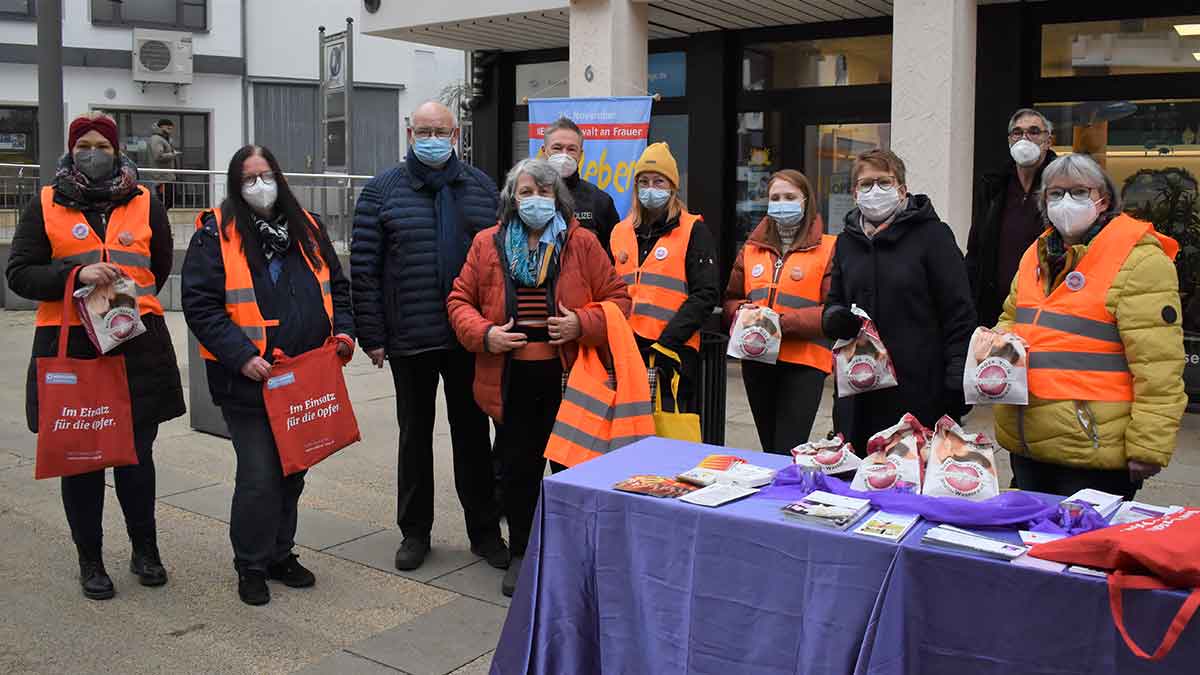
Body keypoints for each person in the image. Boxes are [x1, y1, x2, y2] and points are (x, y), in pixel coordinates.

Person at [6, 112, 185, 600]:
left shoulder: (145, 200)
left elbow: (160, 265)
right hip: (72, 349)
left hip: (135, 346)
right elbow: (19, 273)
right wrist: (75, 276)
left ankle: (144, 550)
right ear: (71, 149)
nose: (93, 152)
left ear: (116, 150)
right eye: (83, 144)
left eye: (102, 145)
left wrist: (124, 304)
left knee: (135, 457)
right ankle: (91, 560)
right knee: (82, 461)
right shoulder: (46, 202)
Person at [181, 145, 355, 605]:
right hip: (248, 380)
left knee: (292, 472)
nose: (260, 186)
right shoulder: (215, 232)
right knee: (259, 475)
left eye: (266, 175)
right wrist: (241, 355)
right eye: (249, 179)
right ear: (236, 187)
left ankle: (281, 554)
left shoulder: (308, 227)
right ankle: (251, 564)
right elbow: (200, 305)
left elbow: (337, 287)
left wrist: (344, 334)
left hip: (304, 377)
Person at [447, 158, 630, 596]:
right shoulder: (486, 244)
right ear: (511, 198)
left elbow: (618, 300)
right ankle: (522, 553)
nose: (535, 200)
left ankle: (571, 554)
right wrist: (486, 334)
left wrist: (580, 324)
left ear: (558, 199)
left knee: (571, 468)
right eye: (526, 192)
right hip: (509, 377)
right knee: (518, 471)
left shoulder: (582, 243)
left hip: (568, 377)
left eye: (544, 192)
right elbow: (459, 301)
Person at [350, 101, 508, 573]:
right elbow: (365, 269)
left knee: (473, 437)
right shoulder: (382, 191)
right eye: (423, 130)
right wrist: (372, 334)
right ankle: (414, 532)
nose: (432, 137)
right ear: (409, 133)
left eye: (440, 129)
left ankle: (484, 531)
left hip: (468, 338)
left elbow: (498, 264)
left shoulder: (481, 188)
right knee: (414, 437)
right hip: (410, 337)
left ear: (455, 133)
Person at [993, 154, 1186, 499]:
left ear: (1103, 199)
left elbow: (1158, 367)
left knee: (1083, 551)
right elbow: (1012, 317)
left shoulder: (1139, 261)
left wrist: (1148, 445)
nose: (1065, 202)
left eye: (1079, 191)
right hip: (1028, 443)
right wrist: (994, 347)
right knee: (1027, 549)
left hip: (1093, 451)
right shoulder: (1035, 256)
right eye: (1055, 194)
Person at [822, 149, 976, 454]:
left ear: (901, 189)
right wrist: (835, 317)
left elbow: (959, 313)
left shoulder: (933, 237)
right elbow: (834, 300)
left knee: (909, 484)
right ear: (854, 193)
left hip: (919, 389)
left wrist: (956, 380)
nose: (874, 191)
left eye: (884, 182)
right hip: (859, 391)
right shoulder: (846, 242)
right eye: (865, 184)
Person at [724, 170, 834, 454]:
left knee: (789, 448)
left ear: (806, 201)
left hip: (804, 362)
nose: (781, 203)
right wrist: (740, 313)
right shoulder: (751, 249)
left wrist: (779, 323)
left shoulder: (829, 247)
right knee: (770, 449)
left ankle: (787, 497)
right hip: (757, 360)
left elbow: (833, 311)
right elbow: (730, 299)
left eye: (790, 197)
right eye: (775, 197)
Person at [609, 142, 719, 413]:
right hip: (627, 349)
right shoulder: (619, 232)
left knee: (666, 436)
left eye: (659, 181)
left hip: (672, 351)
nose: (650, 188)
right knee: (627, 431)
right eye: (643, 181)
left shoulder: (694, 230)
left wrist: (667, 342)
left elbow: (705, 294)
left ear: (672, 187)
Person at [966, 108, 1058, 328]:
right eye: (1017, 133)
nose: (1024, 138)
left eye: (1034, 131)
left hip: (1045, 307)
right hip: (995, 311)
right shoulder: (993, 187)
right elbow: (976, 250)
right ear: (1009, 141)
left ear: (1048, 140)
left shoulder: (1061, 185)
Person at [540, 117, 621, 256]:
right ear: (544, 150)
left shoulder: (600, 200)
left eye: (571, 149)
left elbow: (611, 255)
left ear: (580, 154)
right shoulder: (527, 196)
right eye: (557, 148)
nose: (564, 155)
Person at [146, 119, 181, 210]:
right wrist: (173, 154)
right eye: (167, 126)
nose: (170, 128)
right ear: (161, 127)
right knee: (164, 202)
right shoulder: (156, 139)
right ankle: (160, 222)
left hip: (167, 177)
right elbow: (158, 156)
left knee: (168, 201)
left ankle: (162, 221)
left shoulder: (164, 138)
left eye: (171, 127)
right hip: (162, 178)